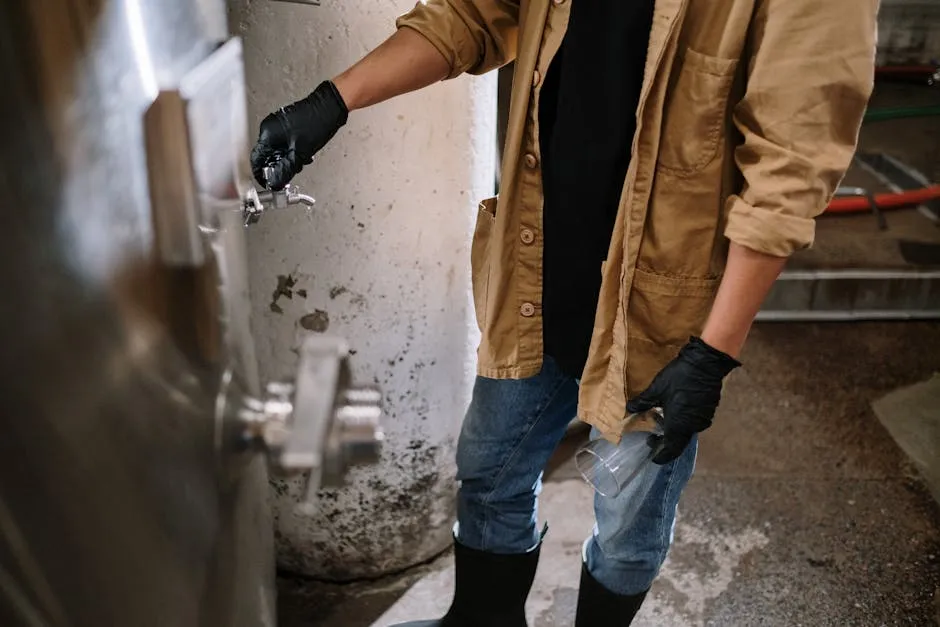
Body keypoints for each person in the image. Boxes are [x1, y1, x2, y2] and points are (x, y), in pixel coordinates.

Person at [250, 1, 878, 624]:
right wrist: (334, 101)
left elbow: (788, 169)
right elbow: (472, 14)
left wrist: (712, 354)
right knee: (489, 472)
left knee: (629, 522)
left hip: (658, 308)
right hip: (537, 268)